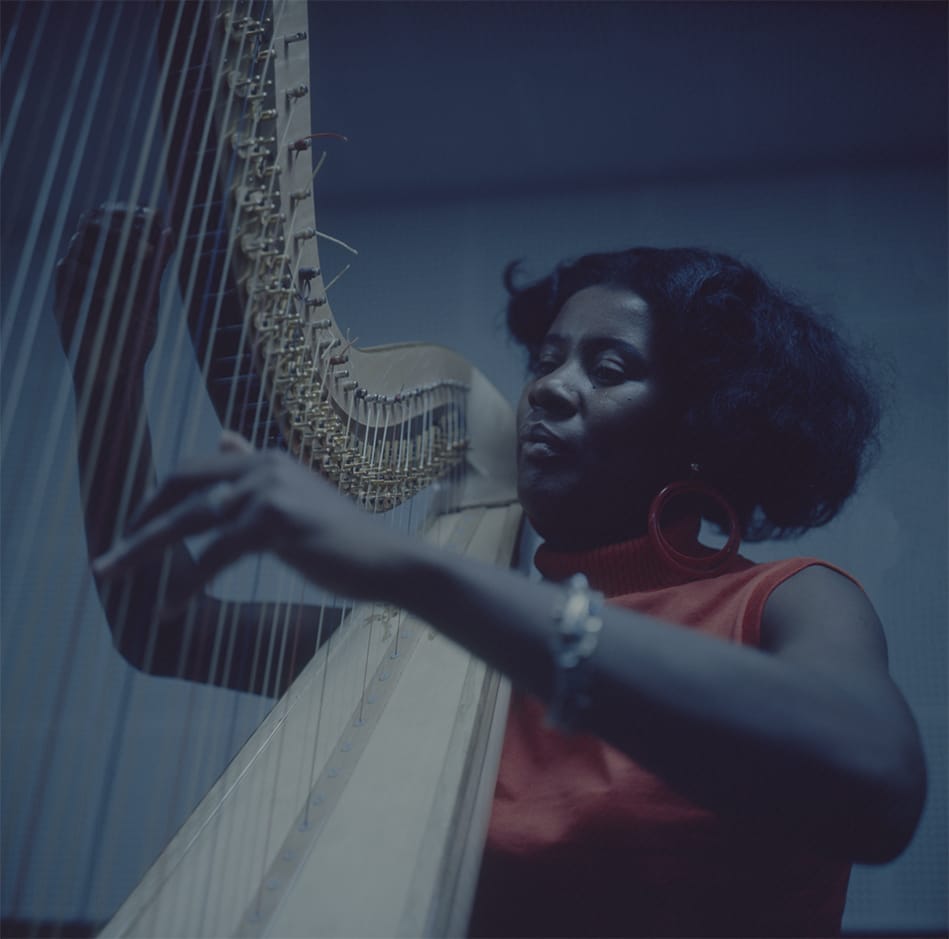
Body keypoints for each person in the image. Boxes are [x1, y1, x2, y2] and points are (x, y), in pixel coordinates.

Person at [57, 208, 926, 937]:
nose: (548, 388)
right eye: (545, 359)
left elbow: (877, 786)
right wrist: (105, 375)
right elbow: (161, 626)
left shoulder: (785, 600)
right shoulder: (448, 648)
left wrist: (404, 568)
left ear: (704, 425)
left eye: (608, 367)